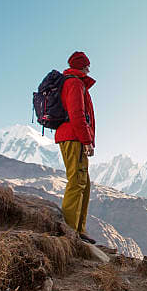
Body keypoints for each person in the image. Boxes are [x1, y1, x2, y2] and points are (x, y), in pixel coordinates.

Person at [56, 51, 96, 240]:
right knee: (76, 181)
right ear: (82, 66)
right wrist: (87, 141)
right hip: (74, 138)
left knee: (84, 183)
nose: (89, 68)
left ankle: (79, 230)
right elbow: (77, 114)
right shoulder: (74, 83)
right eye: (87, 65)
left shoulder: (73, 82)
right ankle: (70, 232)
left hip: (72, 136)